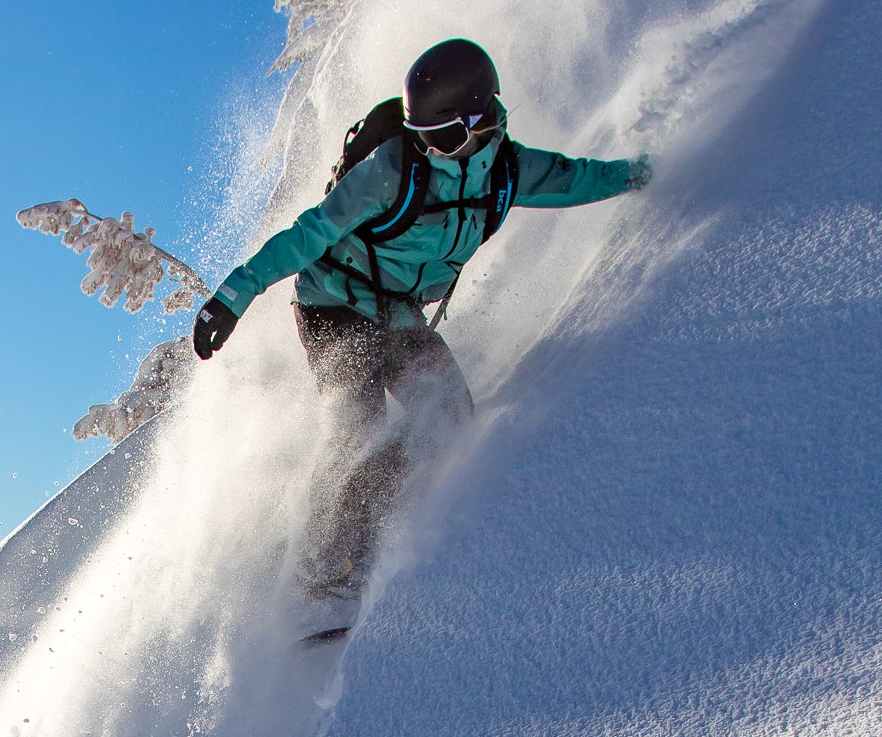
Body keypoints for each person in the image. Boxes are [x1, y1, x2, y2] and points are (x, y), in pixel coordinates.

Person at [192, 38, 650, 598]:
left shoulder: (507, 171)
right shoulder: (391, 170)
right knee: (354, 428)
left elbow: (575, 177)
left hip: (399, 311)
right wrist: (232, 297)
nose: (432, 150)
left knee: (450, 418)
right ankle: (323, 571)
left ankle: (371, 521)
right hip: (333, 302)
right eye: (423, 137)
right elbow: (309, 235)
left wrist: (645, 174)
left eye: (446, 138)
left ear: (482, 119)